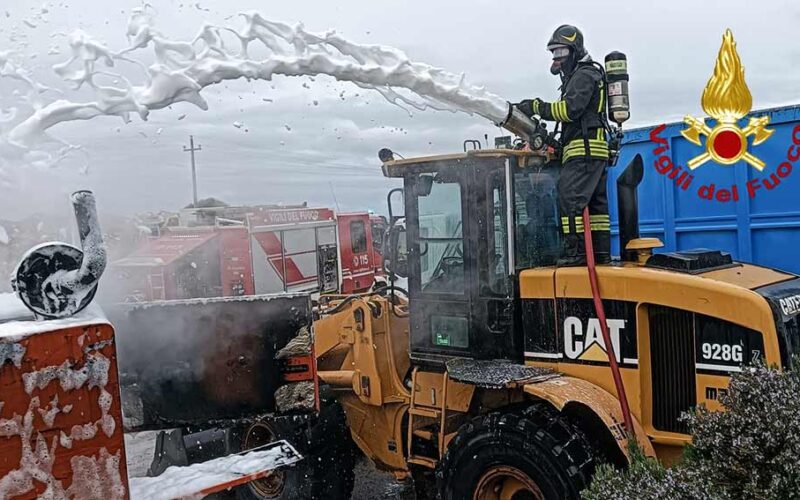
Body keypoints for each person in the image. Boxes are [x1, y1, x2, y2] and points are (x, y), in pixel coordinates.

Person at [515, 24, 611, 266]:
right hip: (590, 151)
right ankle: (599, 253)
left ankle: (576, 253)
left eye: (560, 52)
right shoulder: (581, 76)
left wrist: (536, 106)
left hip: (584, 151)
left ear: (574, 50)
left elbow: (568, 110)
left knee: (569, 198)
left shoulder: (584, 76)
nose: (556, 59)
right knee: (595, 206)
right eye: (553, 53)